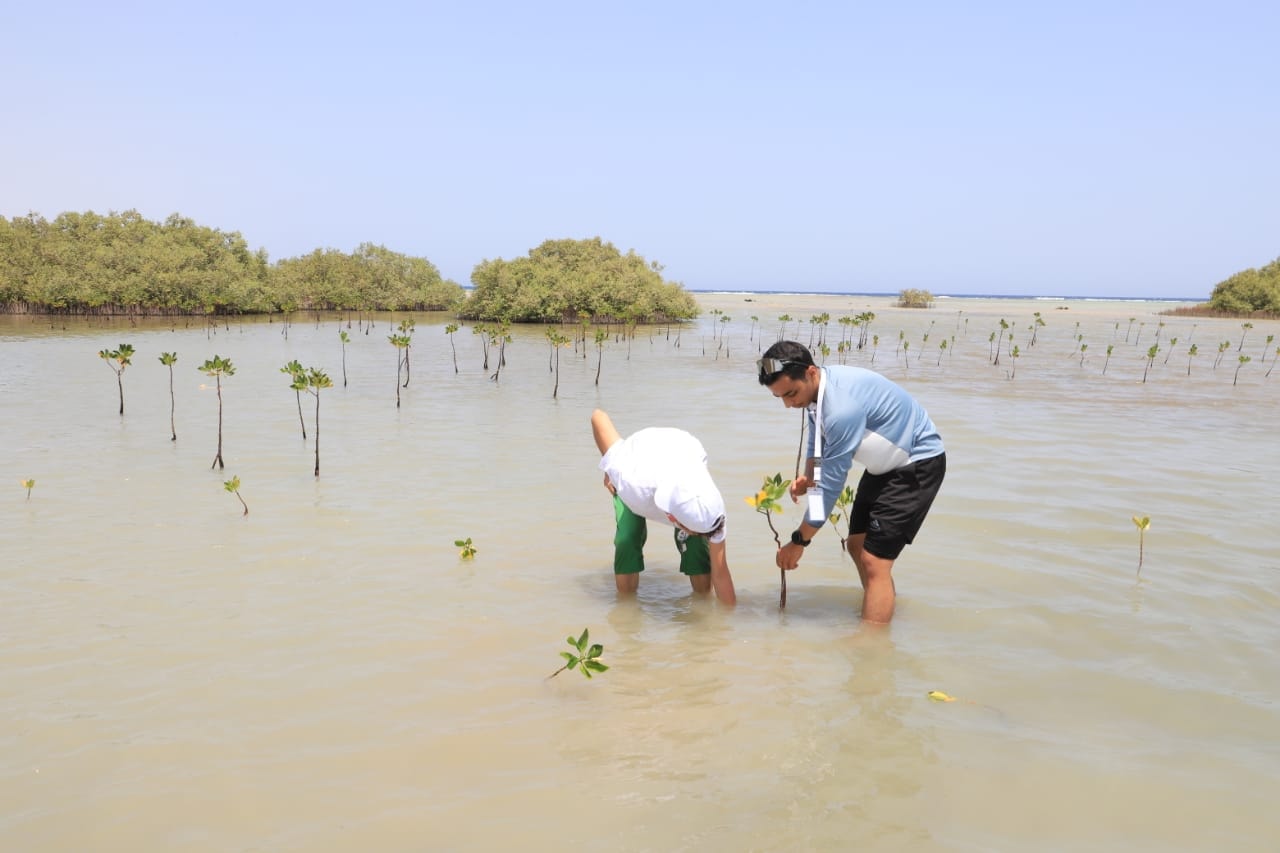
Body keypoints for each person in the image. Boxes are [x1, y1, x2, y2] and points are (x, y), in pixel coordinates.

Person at [757, 341, 945, 623]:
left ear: (810, 372)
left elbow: (830, 489)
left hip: (916, 465)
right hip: (883, 468)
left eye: (791, 394)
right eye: (780, 397)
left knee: (875, 561)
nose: (788, 404)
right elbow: (817, 437)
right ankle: (877, 611)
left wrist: (799, 541)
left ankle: (872, 646)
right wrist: (809, 476)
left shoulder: (842, 408)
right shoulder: (816, 392)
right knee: (856, 545)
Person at [591, 409, 736, 604]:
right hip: (640, 463)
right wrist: (609, 467)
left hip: (683, 447)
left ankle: (702, 601)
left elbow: (721, 572)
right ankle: (626, 608)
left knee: (696, 549)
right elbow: (598, 416)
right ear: (673, 519)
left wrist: (728, 627)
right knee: (628, 537)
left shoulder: (712, 513)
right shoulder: (630, 480)